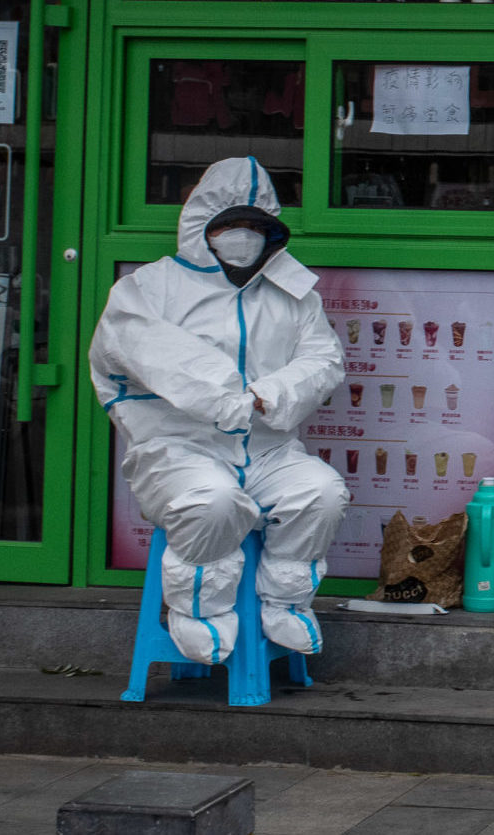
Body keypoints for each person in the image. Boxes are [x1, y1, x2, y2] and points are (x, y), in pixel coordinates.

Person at [91, 157, 348, 664]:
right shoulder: (148, 289)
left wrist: (269, 394)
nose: (244, 236)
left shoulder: (293, 294)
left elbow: (324, 359)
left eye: (256, 226)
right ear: (201, 225)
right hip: (176, 450)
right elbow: (151, 353)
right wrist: (231, 396)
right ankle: (198, 615)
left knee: (322, 493)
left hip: (270, 450)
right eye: (231, 224)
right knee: (213, 502)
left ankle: (286, 602)